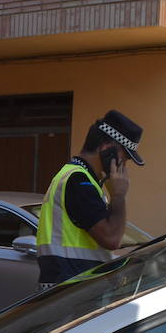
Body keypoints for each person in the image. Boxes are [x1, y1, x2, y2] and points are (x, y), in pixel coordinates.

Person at [35, 109, 144, 289]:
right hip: (70, 288)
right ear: (106, 148)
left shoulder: (79, 178)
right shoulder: (78, 181)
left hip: (68, 285)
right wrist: (119, 195)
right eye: (123, 159)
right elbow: (111, 239)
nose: (123, 167)